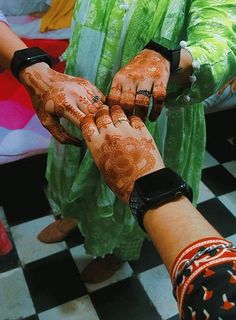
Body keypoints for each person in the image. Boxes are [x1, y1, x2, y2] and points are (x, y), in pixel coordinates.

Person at [1, 0, 235, 283]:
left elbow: (222, 38)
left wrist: (168, 57)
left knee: (131, 183)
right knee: (77, 161)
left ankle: (117, 252)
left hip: (151, 110)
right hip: (79, 87)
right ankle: (75, 214)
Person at [80, 104, 236, 319]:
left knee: (120, 211)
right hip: (99, 124)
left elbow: (219, 290)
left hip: (166, 124)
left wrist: (145, 184)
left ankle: (120, 253)